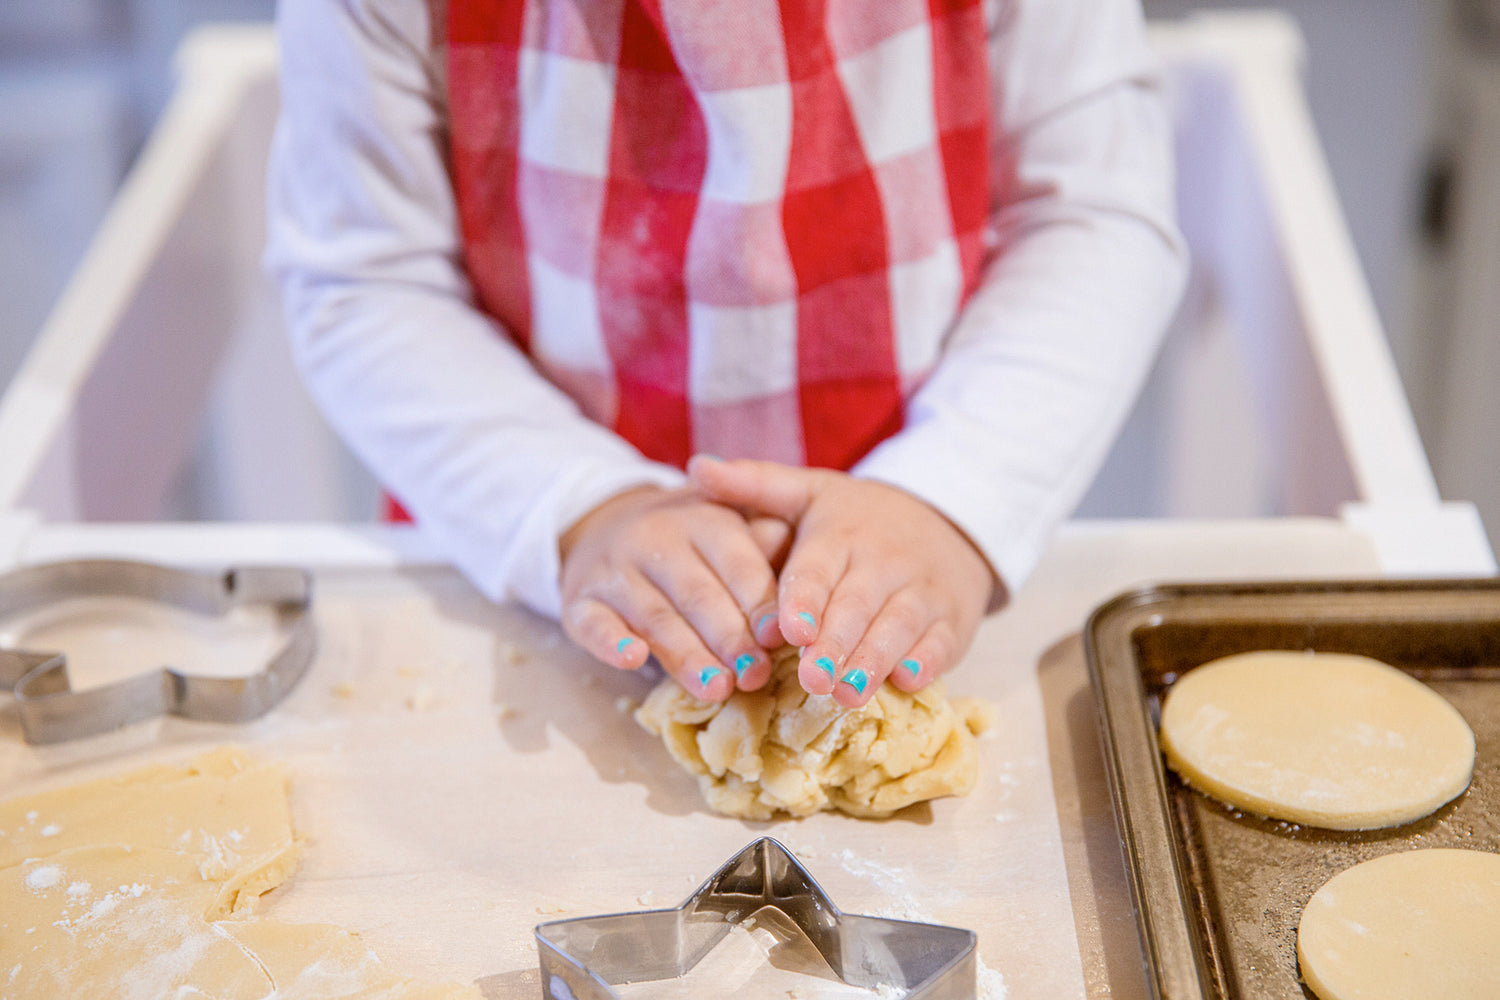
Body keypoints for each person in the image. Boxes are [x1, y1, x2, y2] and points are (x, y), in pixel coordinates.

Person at [267, 0, 1187, 709]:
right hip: (527, 543)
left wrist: (951, 494)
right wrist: (581, 510)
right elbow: (368, 284)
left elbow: (1089, 215)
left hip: (915, 524)